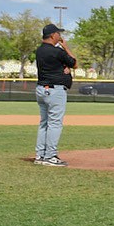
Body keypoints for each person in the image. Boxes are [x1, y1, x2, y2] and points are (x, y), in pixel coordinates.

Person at [34, 23, 77, 166]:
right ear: (53, 35)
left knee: (44, 123)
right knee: (55, 124)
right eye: (58, 33)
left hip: (41, 89)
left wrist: (62, 68)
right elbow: (75, 63)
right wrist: (66, 47)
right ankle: (50, 156)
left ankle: (40, 155)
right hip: (55, 91)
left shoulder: (39, 50)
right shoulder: (57, 51)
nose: (60, 36)